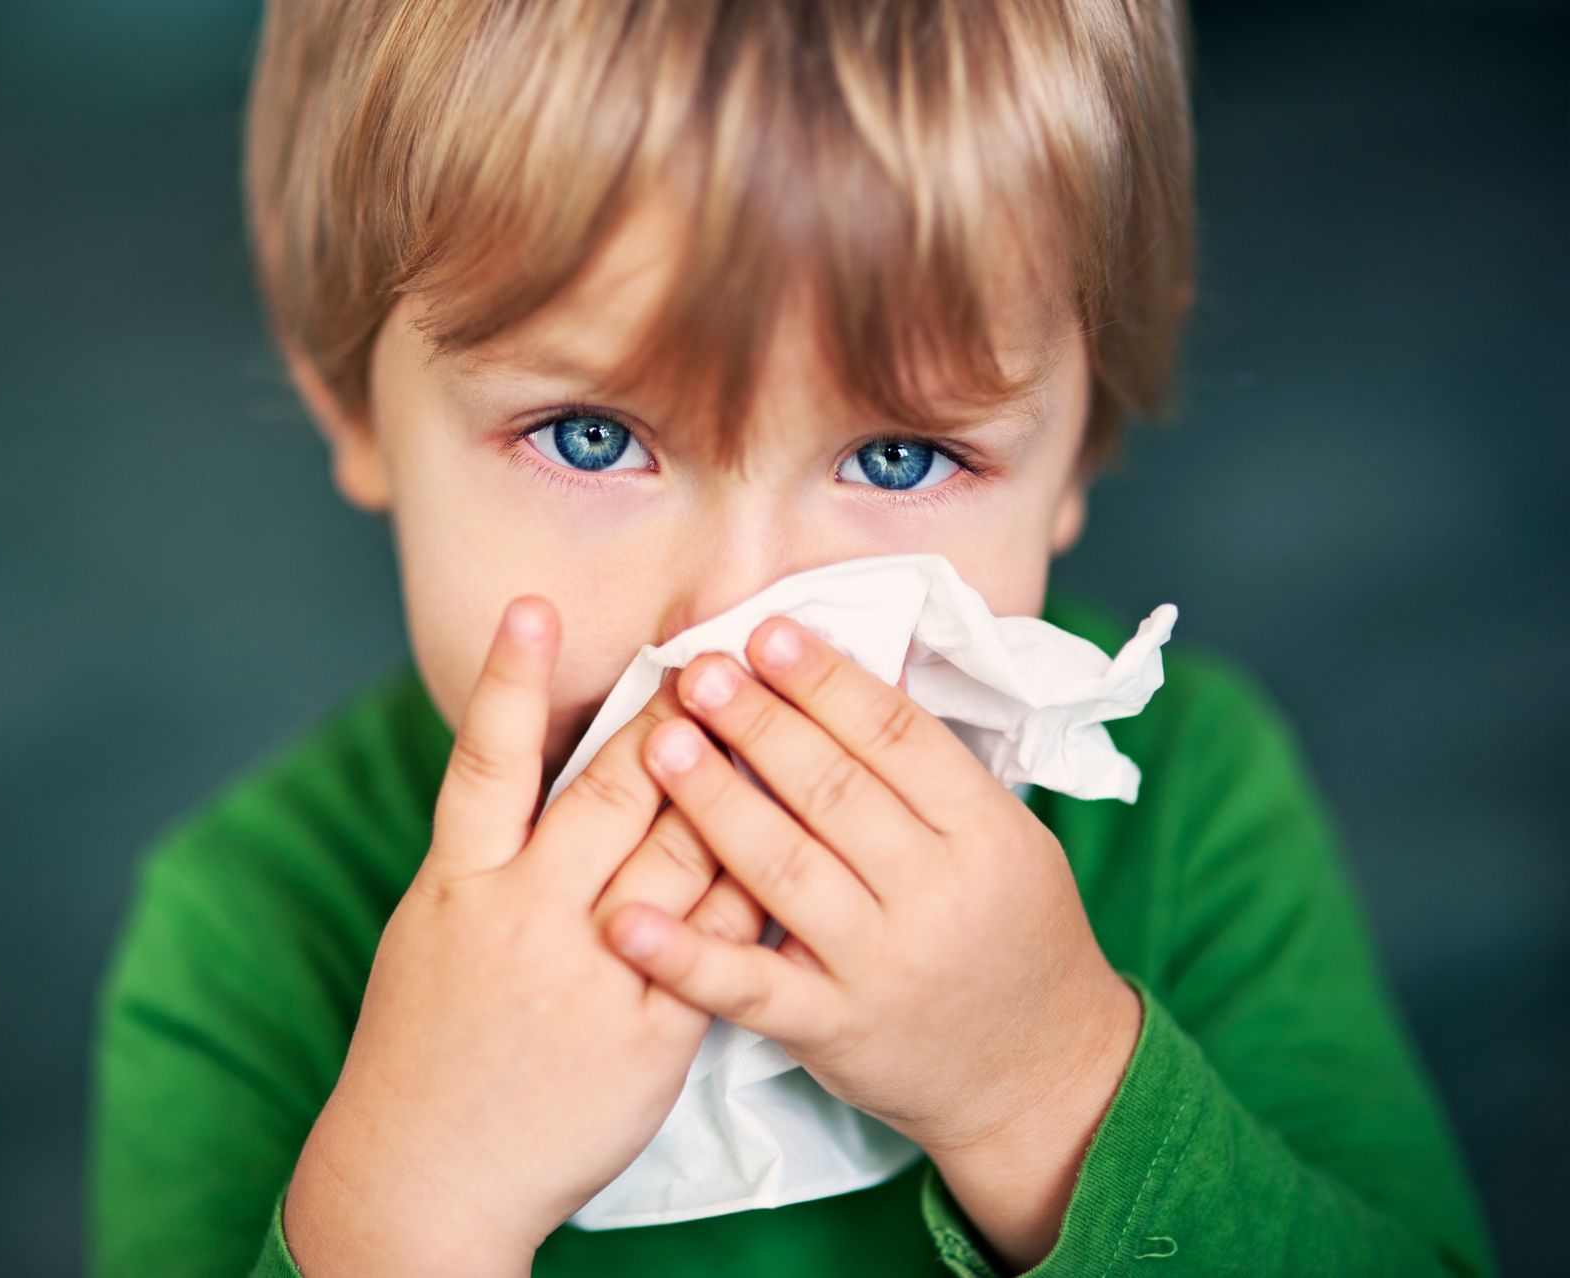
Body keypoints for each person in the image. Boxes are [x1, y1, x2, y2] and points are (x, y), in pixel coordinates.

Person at [85, 2, 1497, 1274]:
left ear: (1087, 436)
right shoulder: (250, 927)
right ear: (348, 398)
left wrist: (1046, 1088)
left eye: (895, 458)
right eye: (594, 437)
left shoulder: (1188, 800)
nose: (727, 632)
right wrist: (410, 1210)